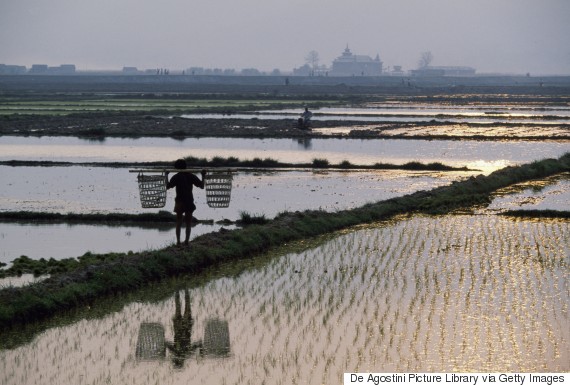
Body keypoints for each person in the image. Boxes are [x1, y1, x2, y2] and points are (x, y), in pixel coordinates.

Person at [165, 159, 206, 246]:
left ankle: (178, 242)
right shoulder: (191, 176)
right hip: (189, 201)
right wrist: (203, 176)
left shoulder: (176, 176)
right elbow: (202, 186)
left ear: (177, 168)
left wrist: (166, 175)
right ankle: (187, 241)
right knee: (188, 223)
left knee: (179, 222)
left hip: (180, 201)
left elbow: (167, 186)